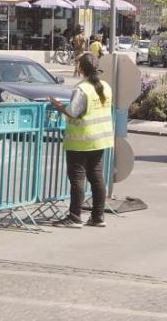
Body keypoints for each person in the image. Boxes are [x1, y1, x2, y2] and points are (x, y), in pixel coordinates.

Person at [48, 53, 113, 228]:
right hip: (100, 139)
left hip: (81, 139)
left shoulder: (82, 88)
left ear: (81, 69)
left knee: (77, 178)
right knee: (97, 177)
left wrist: (58, 106)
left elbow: (73, 112)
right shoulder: (106, 86)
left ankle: (75, 217)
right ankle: (98, 216)